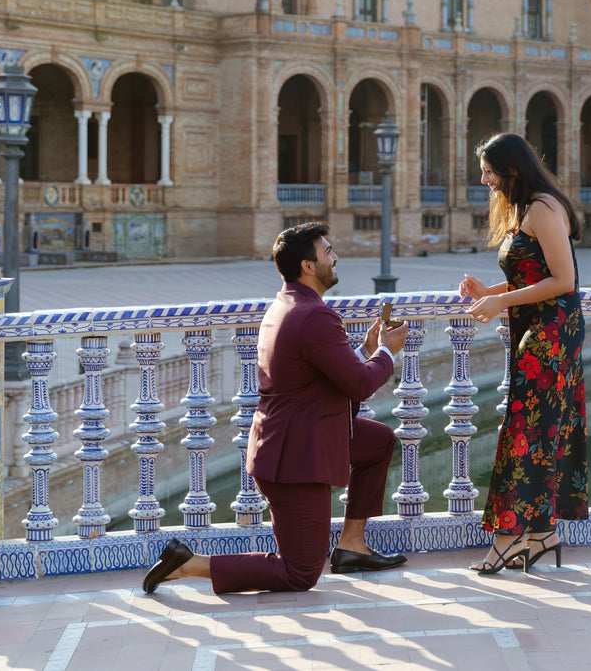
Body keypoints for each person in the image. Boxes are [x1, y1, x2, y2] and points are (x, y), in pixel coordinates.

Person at [142, 221, 410, 594]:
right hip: (295, 459)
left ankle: (351, 545)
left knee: (377, 441)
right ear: (308, 266)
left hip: (301, 436)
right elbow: (360, 384)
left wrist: (364, 351)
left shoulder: (288, 303)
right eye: (328, 252)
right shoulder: (314, 315)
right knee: (300, 573)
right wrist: (385, 351)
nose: (336, 257)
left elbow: (320, 372)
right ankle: (189, 565)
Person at [460, 132, 589, 574]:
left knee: (525, 430)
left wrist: (500, 302)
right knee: (534, 429)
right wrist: (490, 291)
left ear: (512, 169)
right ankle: (540, 535)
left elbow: (564, 280)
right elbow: (532, 274)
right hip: (538, 326)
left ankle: (509, 538)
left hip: (552, 331)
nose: (484, 180)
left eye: (489, 171)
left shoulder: (543, 208)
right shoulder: (526, 208)